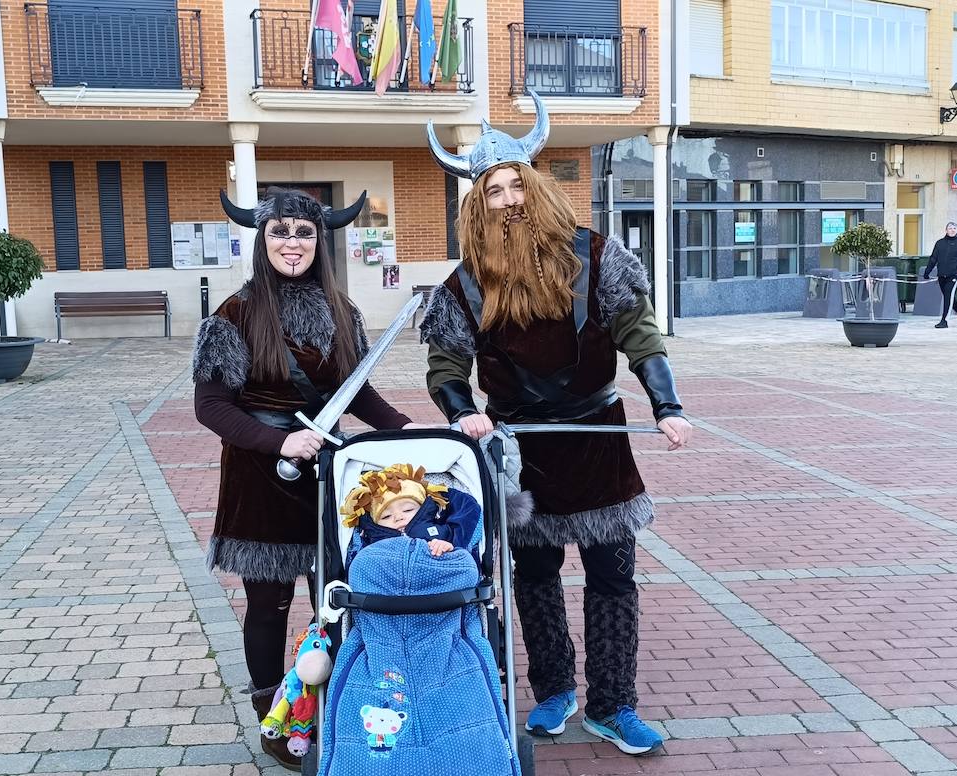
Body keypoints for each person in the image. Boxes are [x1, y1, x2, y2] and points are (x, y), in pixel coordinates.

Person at [419, 91, 693, 756]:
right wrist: (463, 414)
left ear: (535, 188)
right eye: (494, 192)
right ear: (478, 205)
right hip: (518, 451)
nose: (509, 201)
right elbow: (446, 367)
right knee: (534, 578)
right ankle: (553, 692)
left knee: (612, 577)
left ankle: (613, 704)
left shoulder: (596, 256)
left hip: (598, 441)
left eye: (517, 186)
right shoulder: (464, 285)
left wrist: (667, 405)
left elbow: (641, 337)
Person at [191, 187, 418, 770]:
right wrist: (278, 439)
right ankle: (273, 717)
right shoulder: (234, 314)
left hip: (328, 471)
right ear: (262, 240)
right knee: (267, 603)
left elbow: (355, 392)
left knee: (334, 601)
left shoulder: (343, 311)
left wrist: (407, 429)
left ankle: (331, 707)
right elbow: (211, 407)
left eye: (305, 233)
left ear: (321, 242)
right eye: (279, 232)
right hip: (258, 475)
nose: (292, 244)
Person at [340, 463, 482, 557]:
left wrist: (451, 546)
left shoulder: (438, 528)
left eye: (407, 510)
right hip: (387, 593)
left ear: (423, 509)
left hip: (439, 583)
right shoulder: (371, 539)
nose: (398, 517)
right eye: (386, 516)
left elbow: (467, 509)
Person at [922, 222, 957, 328]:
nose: (952, 230)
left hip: (954, 274)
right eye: (950, 228)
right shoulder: (940, 243)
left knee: (948, 296)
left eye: (954, 228)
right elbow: (933, 258)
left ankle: (944, 320)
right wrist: (927, 271)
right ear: (946, 230)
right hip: (942, 274)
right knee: (949, 297)